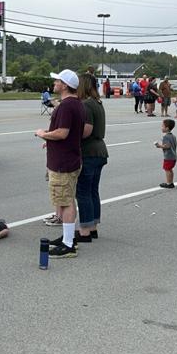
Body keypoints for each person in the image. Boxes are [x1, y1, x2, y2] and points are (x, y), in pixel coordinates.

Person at [35, 69, 85, 258]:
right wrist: (48, 141)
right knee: (66, 200)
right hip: (70, 158)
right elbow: (70, 133)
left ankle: (68, 244)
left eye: (57, 81)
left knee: (65, 202)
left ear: (65, 85)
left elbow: (63, 133)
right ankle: (68, 237)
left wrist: (44, 134)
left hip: (63, 162)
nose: (54, 83)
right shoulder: (76, 104)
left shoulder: (66, 106)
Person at [71, 73, 107, 242]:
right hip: (100, 151)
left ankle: (84, 230)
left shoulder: (85, 104)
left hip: (89, 151)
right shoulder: (98, 103)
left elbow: (87, 130)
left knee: (83, 192)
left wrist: (71, 137)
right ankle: (93, 227)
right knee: (93, 191)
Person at [156, 119, 177, 189]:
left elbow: (167, 146)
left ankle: (169, 183)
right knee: (170, 169)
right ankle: (171, 182)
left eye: (162, 126)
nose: (161, 127)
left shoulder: (166, 137)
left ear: (167, 128)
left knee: (167, 169)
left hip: (168, 157)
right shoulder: (173, 136)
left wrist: (159, 146)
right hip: (173, 156)